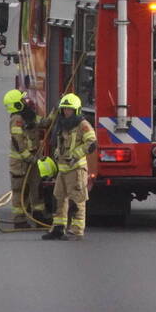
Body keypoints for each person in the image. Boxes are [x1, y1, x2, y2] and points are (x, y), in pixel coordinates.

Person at [43, 93, 97, 241]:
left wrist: (76, 154)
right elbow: (61, 142)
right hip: (63, 169)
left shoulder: (82, 125)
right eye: (64, 109)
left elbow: (91, 142)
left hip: (76, 169)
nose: (66, 112)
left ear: (76, 110)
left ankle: (76, 230)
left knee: (77, 200)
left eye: (69, 109)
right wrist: (57, 152)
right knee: (58, 198)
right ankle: (58, 228)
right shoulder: (62, 124)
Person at [3, 89, 49, 228]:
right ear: (17, 104)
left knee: (36, 187)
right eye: (22, 100)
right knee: (20, 191)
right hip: (20, 163)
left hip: (32, 159)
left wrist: (56, 113)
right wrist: (28, 157)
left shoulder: (29, 115)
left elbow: (44, 123)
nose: (25, 102)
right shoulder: (16, 119)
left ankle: (39, 215)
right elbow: (18, 141)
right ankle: (19, 220)